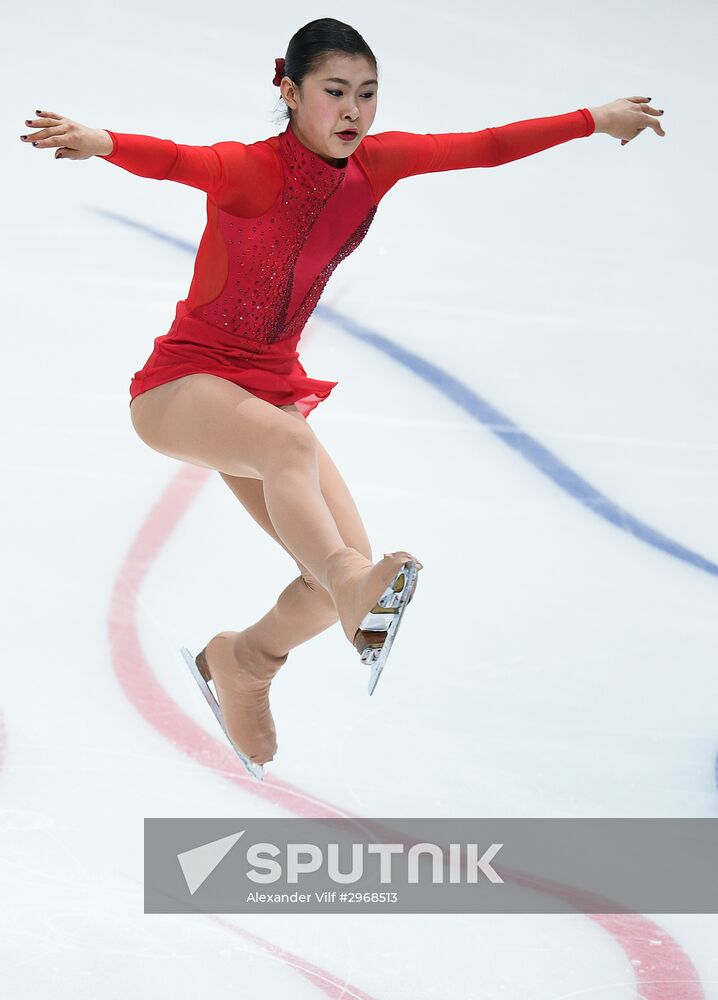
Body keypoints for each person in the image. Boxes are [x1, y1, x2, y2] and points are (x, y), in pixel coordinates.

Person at [20, 17, 665, 772]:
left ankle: (246, 661)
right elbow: (177, 161)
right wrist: (103, 141)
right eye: (334, 93)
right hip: (181, 387)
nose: (353, 111)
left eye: (367, 94)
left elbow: (484, 146)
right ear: (290, 94)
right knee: (318, 504)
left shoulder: (377, 166)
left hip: (264, 395)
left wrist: (594, 120)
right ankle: (349, 591)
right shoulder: (251, 169)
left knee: (338, 571)